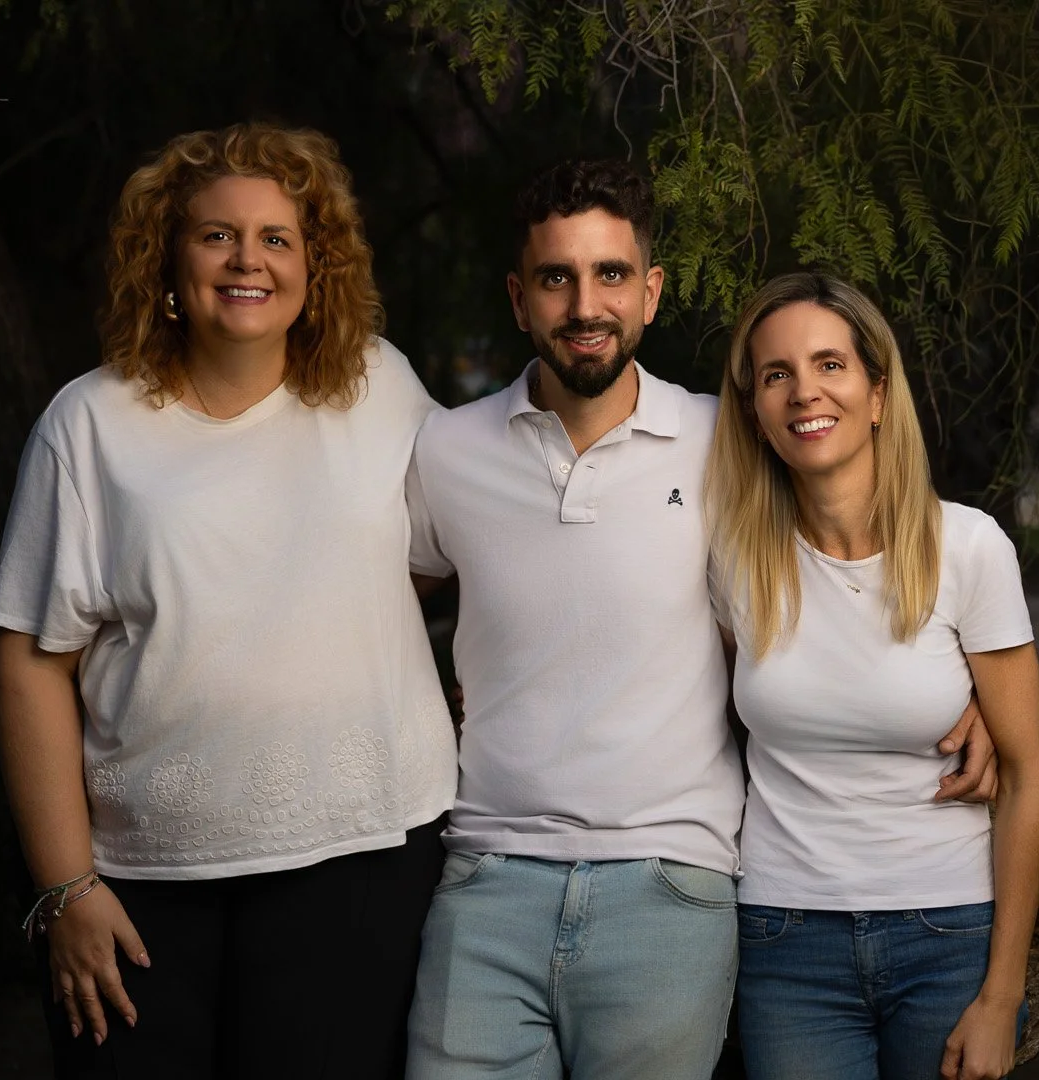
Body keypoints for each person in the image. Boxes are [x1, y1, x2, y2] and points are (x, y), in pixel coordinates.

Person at [403, 160, 999, 1080]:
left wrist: (978, 694)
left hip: (673, 880)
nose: (584, 304)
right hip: (487, 871)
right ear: (521, 300)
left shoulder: (729, 441)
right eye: (557, 278)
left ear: (651, 293)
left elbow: (856, 554)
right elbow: (383, 598)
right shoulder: (446, 448)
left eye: (610, 275)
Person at [0, 123, 457, 1080]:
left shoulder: (381, 387)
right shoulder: (89, 426)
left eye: (277, 238)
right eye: (216, 236)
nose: (248, 260)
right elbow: (32, 664)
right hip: (142, 888)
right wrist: (67, 889)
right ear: (166, 258)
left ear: (315, 265)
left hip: (361, 859)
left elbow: (454, 551)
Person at [705, 271, 1039, 1080]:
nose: (803, 393)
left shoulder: (967, 549)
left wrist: (1003, 996)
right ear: (754, 410)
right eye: (775, 374)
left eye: (830, 365)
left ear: (876, 394)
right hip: (785, 940)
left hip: (947, 935)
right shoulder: (733, 562)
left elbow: (1030, 776)